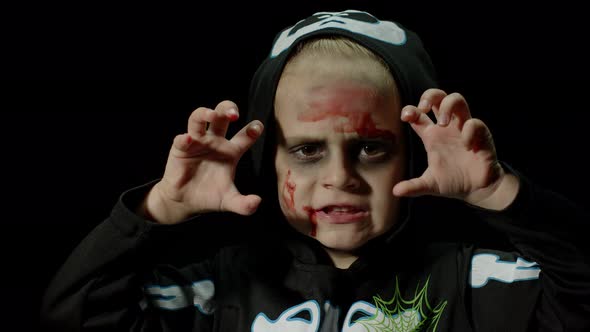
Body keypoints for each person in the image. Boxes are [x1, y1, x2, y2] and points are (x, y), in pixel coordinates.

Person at [40, 9, 589, 331]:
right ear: (267, 157)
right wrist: (157, 210)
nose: (340, 177)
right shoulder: (218, 291)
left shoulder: (476, 285)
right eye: (306, 150)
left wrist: (499, 192)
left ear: (413, 154)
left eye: (372, 149)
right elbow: (72, 316)